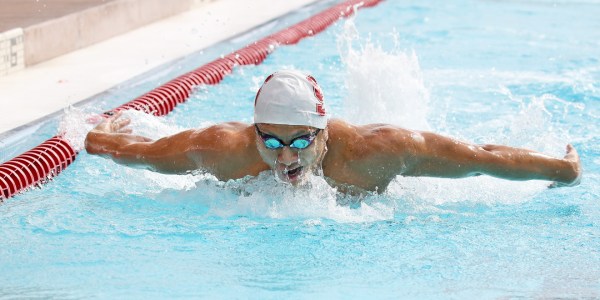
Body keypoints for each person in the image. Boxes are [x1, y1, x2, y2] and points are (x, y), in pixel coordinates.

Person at [85, 70, 581, 194]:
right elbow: (138, 152)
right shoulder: (222, 149)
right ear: (254, 132)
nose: (285, 160)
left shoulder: (378, 151)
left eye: (300, 141)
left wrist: (562, 168)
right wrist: (103, 133)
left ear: (323, 133)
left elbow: (481, 157)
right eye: (271, 141)